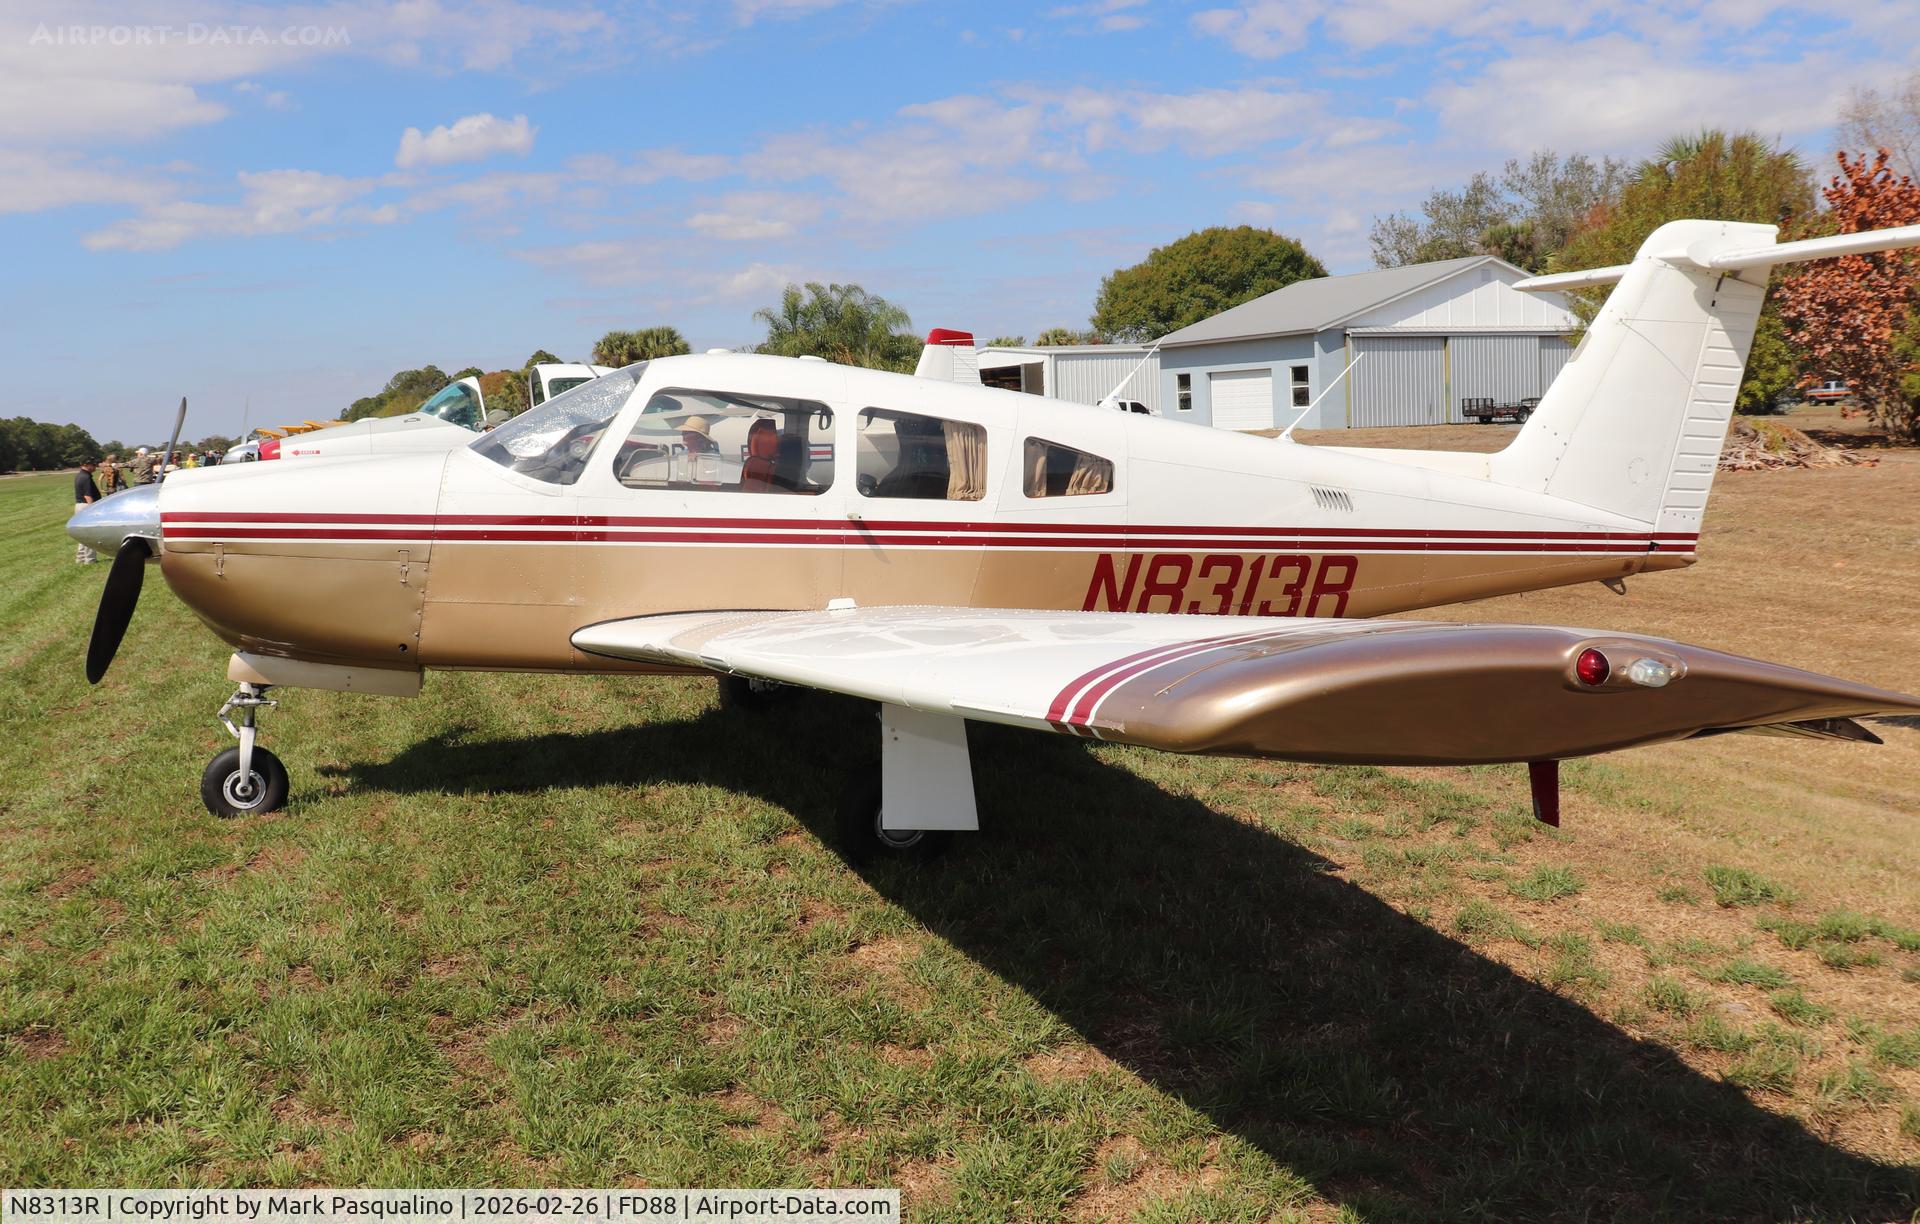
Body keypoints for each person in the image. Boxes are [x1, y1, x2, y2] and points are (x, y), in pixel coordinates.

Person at [73, 460, 100, 565]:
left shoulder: (80, 475)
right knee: (90, 534)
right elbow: (87, 495)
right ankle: (90, 559)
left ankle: (80, 558)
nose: (95, 466)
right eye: (93, 465)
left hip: (80, 505)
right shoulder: (86, 477)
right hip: (86, 506)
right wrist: (92, 509)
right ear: (86, 465)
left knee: (83, 534)